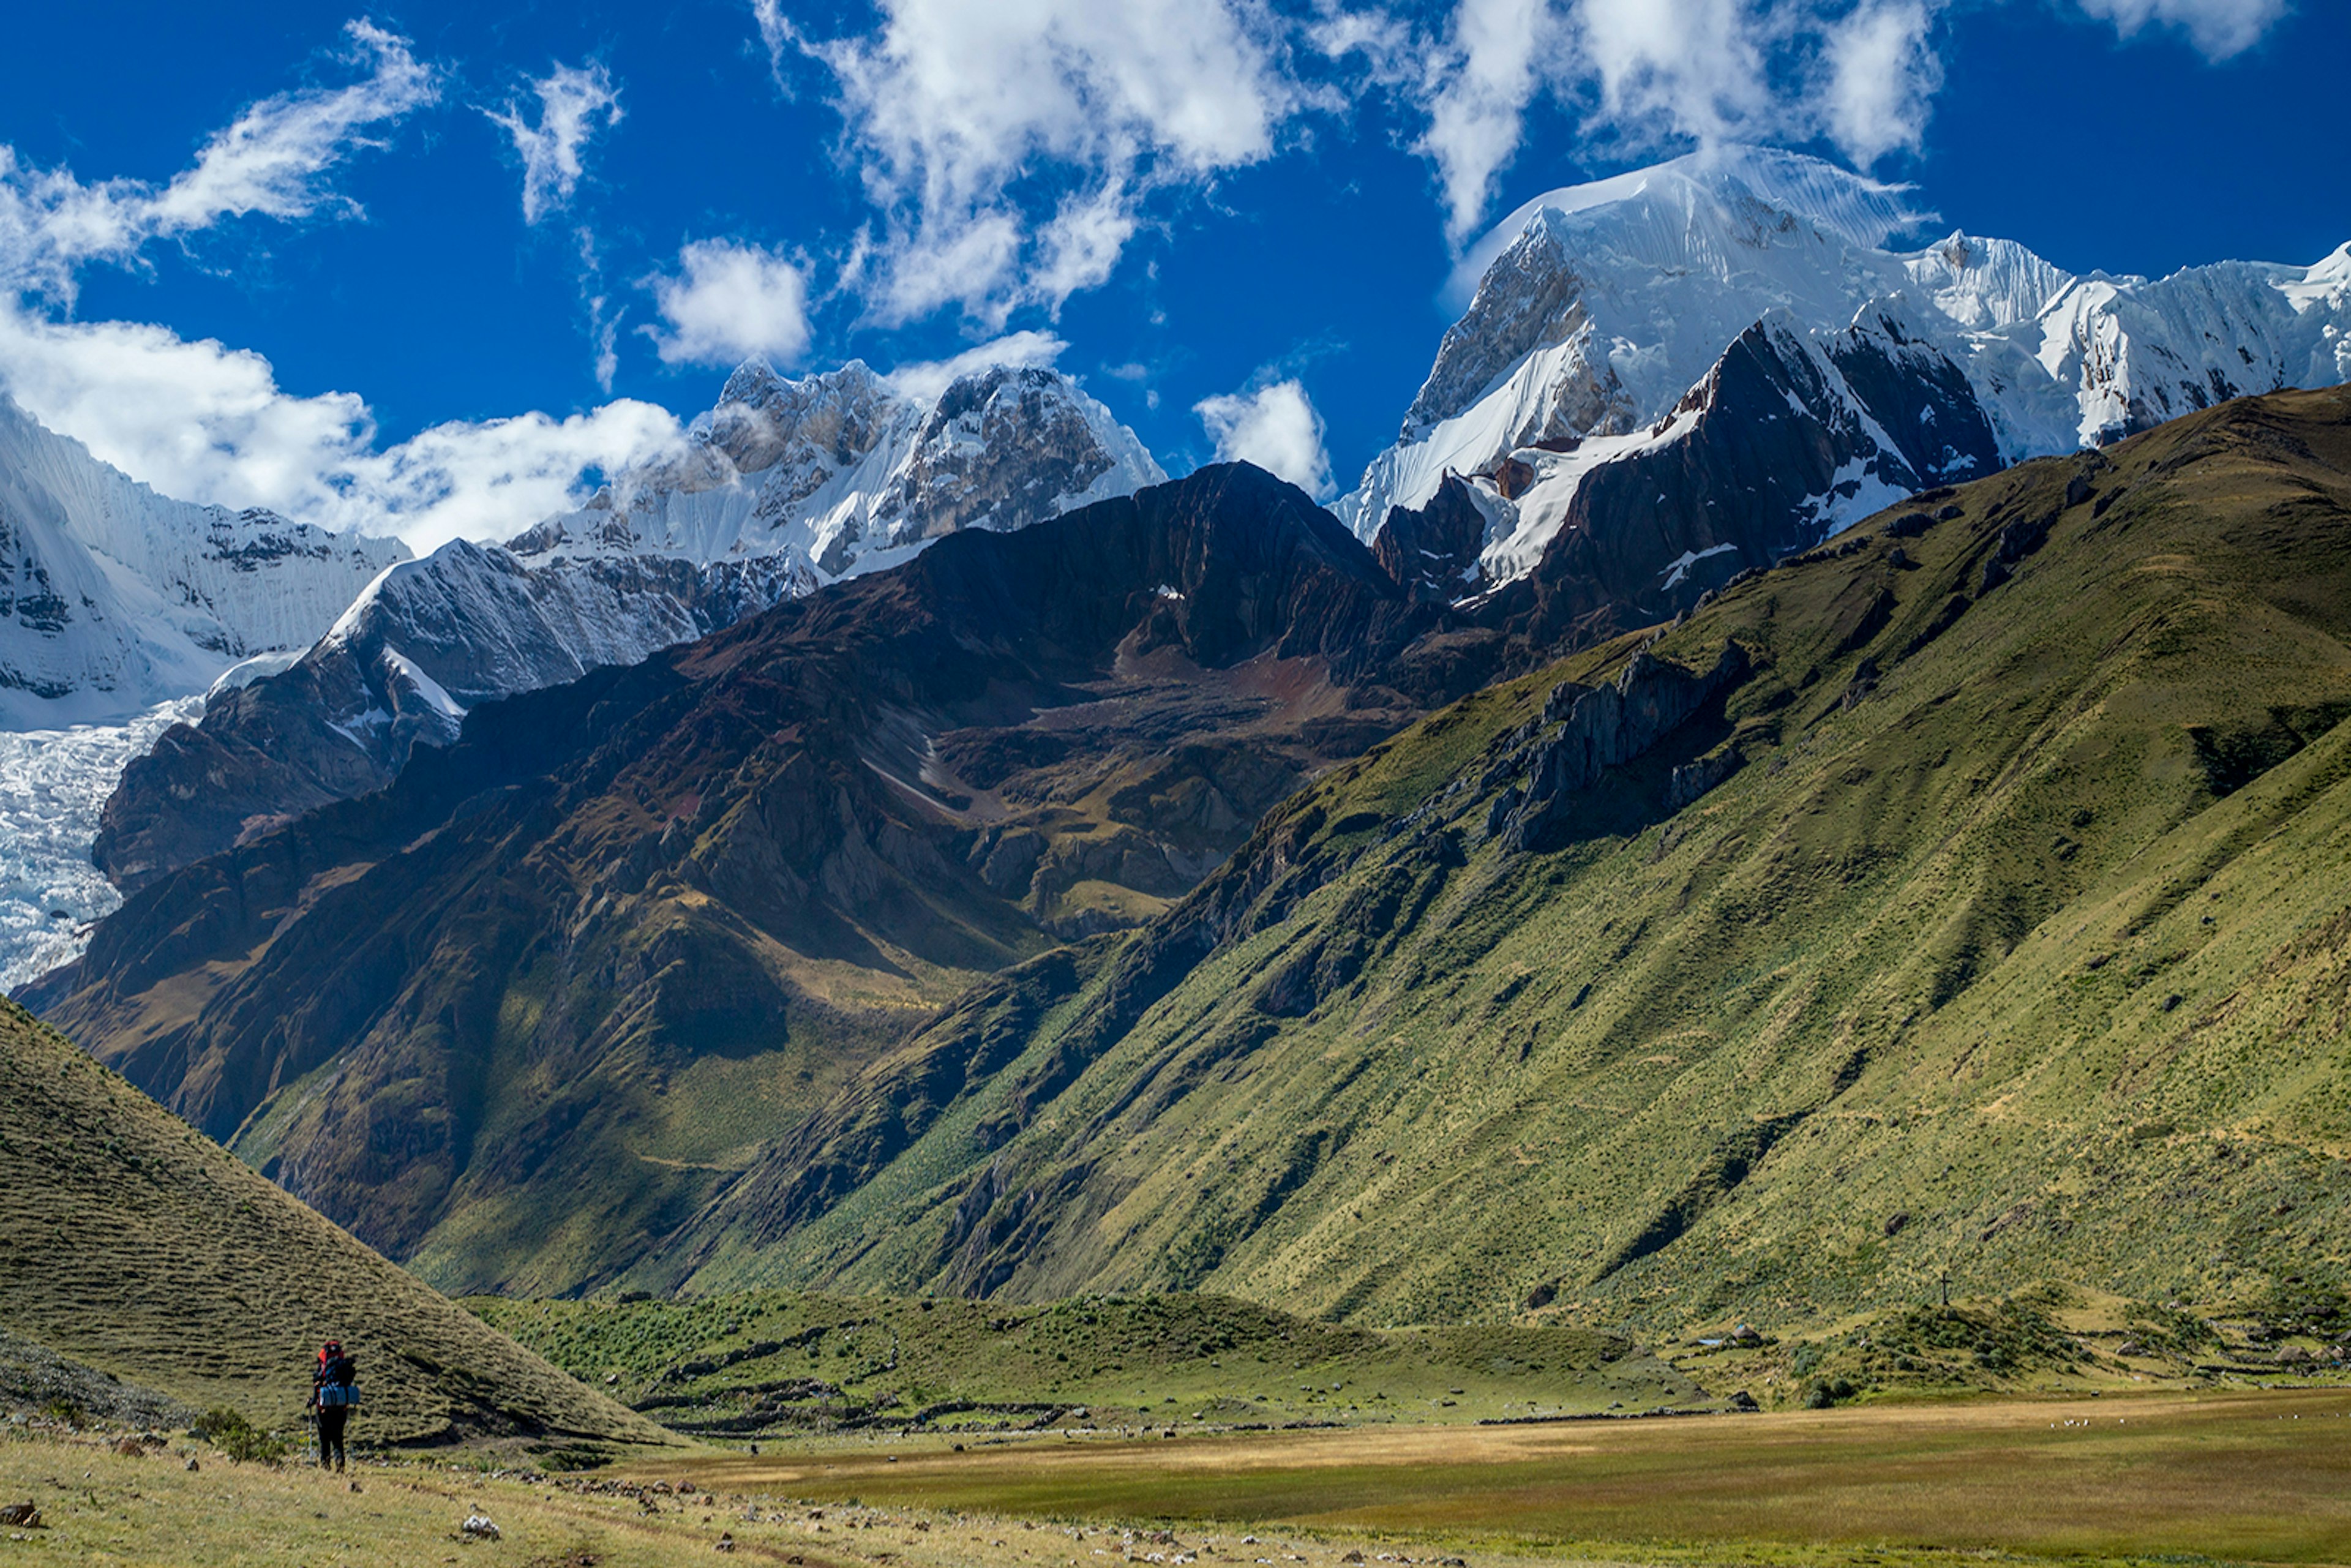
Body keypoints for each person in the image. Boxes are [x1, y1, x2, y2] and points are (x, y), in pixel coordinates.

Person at [309, 1340, 359, 1472]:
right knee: (338, 1438)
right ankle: (340, 1464)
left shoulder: (323, 1369)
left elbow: (316, 1390)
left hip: (324, 1409)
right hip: (341, 1408)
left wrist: (311, 1402)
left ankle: (326, 1466)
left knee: (324, 1439)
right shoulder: (343, 1369)